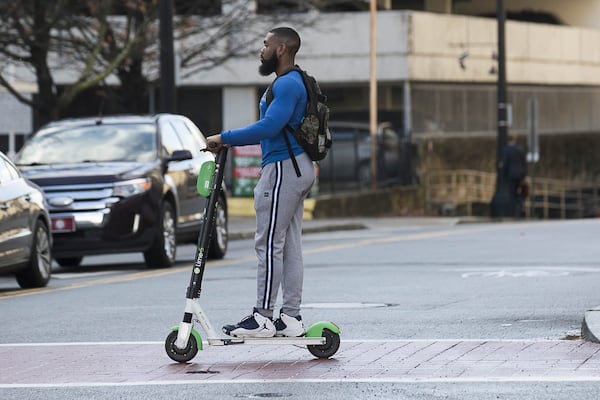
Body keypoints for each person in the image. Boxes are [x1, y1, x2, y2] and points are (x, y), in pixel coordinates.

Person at [206, 27, 315, 338]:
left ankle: (263, 317)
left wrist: (224, 138)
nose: (261, 49)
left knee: (268, 243)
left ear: (281, 49)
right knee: (289, 245)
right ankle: (290, 318)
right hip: (294, 167)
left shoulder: (288, 84)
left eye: (266, 44)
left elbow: (270, 126)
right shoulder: (292, 82)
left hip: (284, 168)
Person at [501, 136, 527, 217]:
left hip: (511, 175)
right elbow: (524, 163)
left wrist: (504, 175)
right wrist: (524, 174)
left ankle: (514, 210)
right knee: (520, 193)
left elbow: (505, 163)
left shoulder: (506, 149)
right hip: (520, 175)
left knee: (513, 193)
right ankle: (521, 205)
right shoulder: (520, 149)